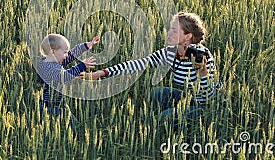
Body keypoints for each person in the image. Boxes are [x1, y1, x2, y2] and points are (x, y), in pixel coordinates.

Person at [86, 12, 223, 126]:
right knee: (156, 94)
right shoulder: (170, 52)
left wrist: (203, 73)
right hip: (190, 98)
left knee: (165, 117)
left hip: (206, 105)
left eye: (174, 31)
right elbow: (139, 64)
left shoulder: (202, 56)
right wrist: (102, 73)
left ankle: (186, 129)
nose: (168, 33)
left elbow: (208, 96)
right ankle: (174, 119)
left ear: (188, 36)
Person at [38, 33, 100, 129]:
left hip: (59, 104)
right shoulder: (46, 67)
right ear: (53, 51)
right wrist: (81, 66)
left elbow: (71, 55)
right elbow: (64, 77)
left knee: (73, 126)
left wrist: (86, 46)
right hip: (50, 107)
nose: (67, 55)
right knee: (68, 128)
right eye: (65, 52)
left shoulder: (53, 61)